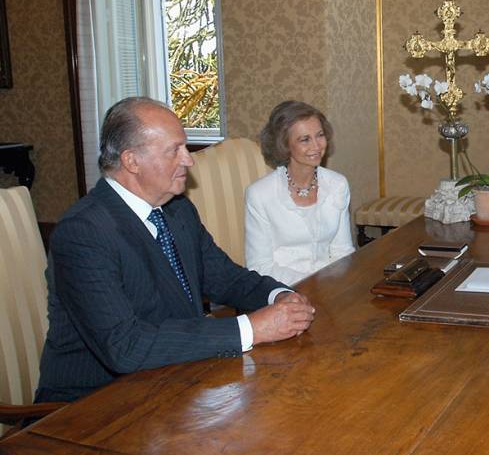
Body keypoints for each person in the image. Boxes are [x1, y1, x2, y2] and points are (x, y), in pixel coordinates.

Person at [36, 97, 315, 404]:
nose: (189, 159)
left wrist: (279, 296)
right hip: (91, 408)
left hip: (175, 381)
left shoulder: (175, 208)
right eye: (175, 150)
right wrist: (251, 328)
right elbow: (125, 347)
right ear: (131, 161)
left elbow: (225, 278)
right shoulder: (82, 234)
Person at [244, 101, 355, 286]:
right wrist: (313, 284)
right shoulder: (260, 195)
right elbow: (259, 267)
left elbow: (343, 251)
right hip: (281, 291)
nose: (317, 146)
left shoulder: (337, 184)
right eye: (305, 139)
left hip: (330, 287)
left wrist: (334, 287)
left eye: (320, 135)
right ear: (284, 145)